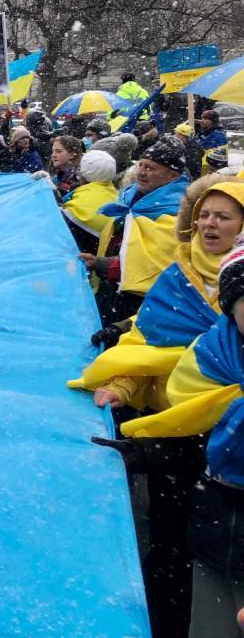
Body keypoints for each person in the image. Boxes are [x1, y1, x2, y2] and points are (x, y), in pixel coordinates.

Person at [73, 177, 244, 638]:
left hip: (216, 447)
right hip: (173, 434)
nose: (210, 223)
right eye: (204, 214)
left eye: (223, 216)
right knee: (174, 549)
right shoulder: (179, 277)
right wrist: (122, 387)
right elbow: (149, 342)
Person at [116, 241, 244, 637]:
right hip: (214, 535)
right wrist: (147, 452)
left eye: (223, 215)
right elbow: (197, 431)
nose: (209, 224)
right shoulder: (212, 356)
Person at [81, 135, 190, 325]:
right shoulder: (129, 198)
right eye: (141, 165)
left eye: (150, 168)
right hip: (112, 293)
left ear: (172, 175)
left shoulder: (177, 212)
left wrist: (103, 264)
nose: (141, 172)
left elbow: (154, 265)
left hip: (140, 305)